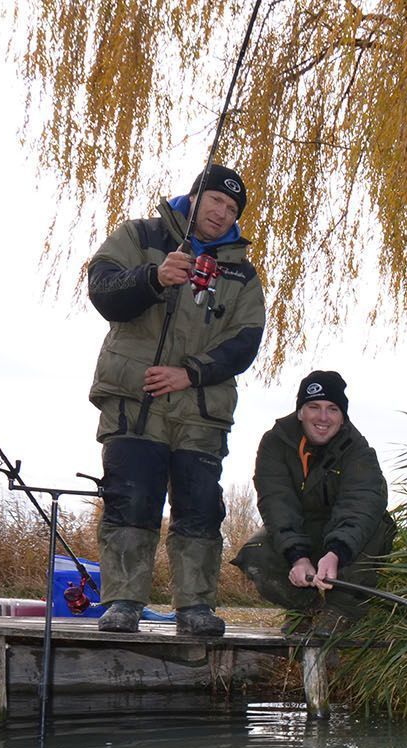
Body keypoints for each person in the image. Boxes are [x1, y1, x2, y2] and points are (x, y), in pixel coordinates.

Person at [85, 164, 265, 637]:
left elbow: (246, 342)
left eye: (231, 208)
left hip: (200, 412)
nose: (222, 213)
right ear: (195, 197)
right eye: (215, 202)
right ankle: (123, 602)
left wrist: (190, 374)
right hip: (133, 398)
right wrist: (153, 277)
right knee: (131, 499)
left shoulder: (242, 274)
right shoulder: (138, 235)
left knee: (201, 508)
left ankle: (195, 607)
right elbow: (102, 290)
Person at [235, 371, 396, 632]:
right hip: (304, 532)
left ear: (343, 416)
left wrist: (336, 552)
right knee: (256, 553)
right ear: (300, 412)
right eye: (314, 407)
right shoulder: (275, 443)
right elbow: (277, 503)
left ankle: (340, 611)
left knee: (376, 528)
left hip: (344, 537)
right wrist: (297, 557)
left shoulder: (359, 450)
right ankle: (305, 608)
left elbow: (362, 505)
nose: (323, 417)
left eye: (332, 409)